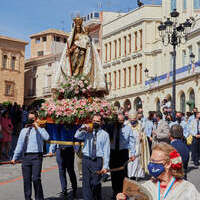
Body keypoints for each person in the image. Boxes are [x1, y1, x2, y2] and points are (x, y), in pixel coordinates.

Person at [116, 143, 200, 200]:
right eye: (150, 161)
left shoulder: (187, 189)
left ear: (168, 164)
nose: (151, 165)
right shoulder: (146, 187)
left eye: (154, 162)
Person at [11, 111, 49, 200]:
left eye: (32, 119)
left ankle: (39, 198)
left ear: (36, 119)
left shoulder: (41, 129)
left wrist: (37, 127)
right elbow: (19, 145)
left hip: (37, 156)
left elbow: (47, 137)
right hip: (25, 157)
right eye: (29, 119)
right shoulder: (23, 130)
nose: (30, 120)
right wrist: (14, 158)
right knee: (26, 180)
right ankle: (28, 198)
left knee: (36, 179)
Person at [75, 114, 110, 200]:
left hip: (97, 161)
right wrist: (83, 128)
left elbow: (106, 151)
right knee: (86, 183)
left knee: (96, 183)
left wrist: (105, 166)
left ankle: (96, 197)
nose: (95, 123)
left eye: (97, 121)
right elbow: (76, 136)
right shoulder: (86, 131)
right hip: (86, 159)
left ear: (101, 122)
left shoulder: (105, 134)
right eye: (94, 121)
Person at [109, 113, 136, 199]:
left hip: (123, 153)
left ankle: (123, 193)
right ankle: (115, 192)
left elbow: (132, 141)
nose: (120, 122)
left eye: (122, 120)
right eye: (118, 120)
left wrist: (133, 154)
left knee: (123, 174)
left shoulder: (128, 128)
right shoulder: (111, 128)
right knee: (113, 173)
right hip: (113, 152)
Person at [49, 131, 78, 199]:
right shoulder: (58, 128)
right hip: (59, 150)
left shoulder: (70, 127)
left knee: (70, 170)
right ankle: (64, 190)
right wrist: (51, 150)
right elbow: (55, 139)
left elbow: (75, 137)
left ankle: (74, 190)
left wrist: (76, 149)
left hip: (69, 149)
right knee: (61, 171)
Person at [127, 112, 150, 180]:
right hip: (130, 147)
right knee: (130, 161)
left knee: (138, 160)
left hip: (138, 145)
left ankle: (138, 174)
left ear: (136, 118)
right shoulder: (127, 125)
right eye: (131, 119)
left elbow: (144, 135)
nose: (132, 121)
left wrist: (142, 137)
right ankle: (131, 174)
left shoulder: (140, 125)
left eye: (134, 119)